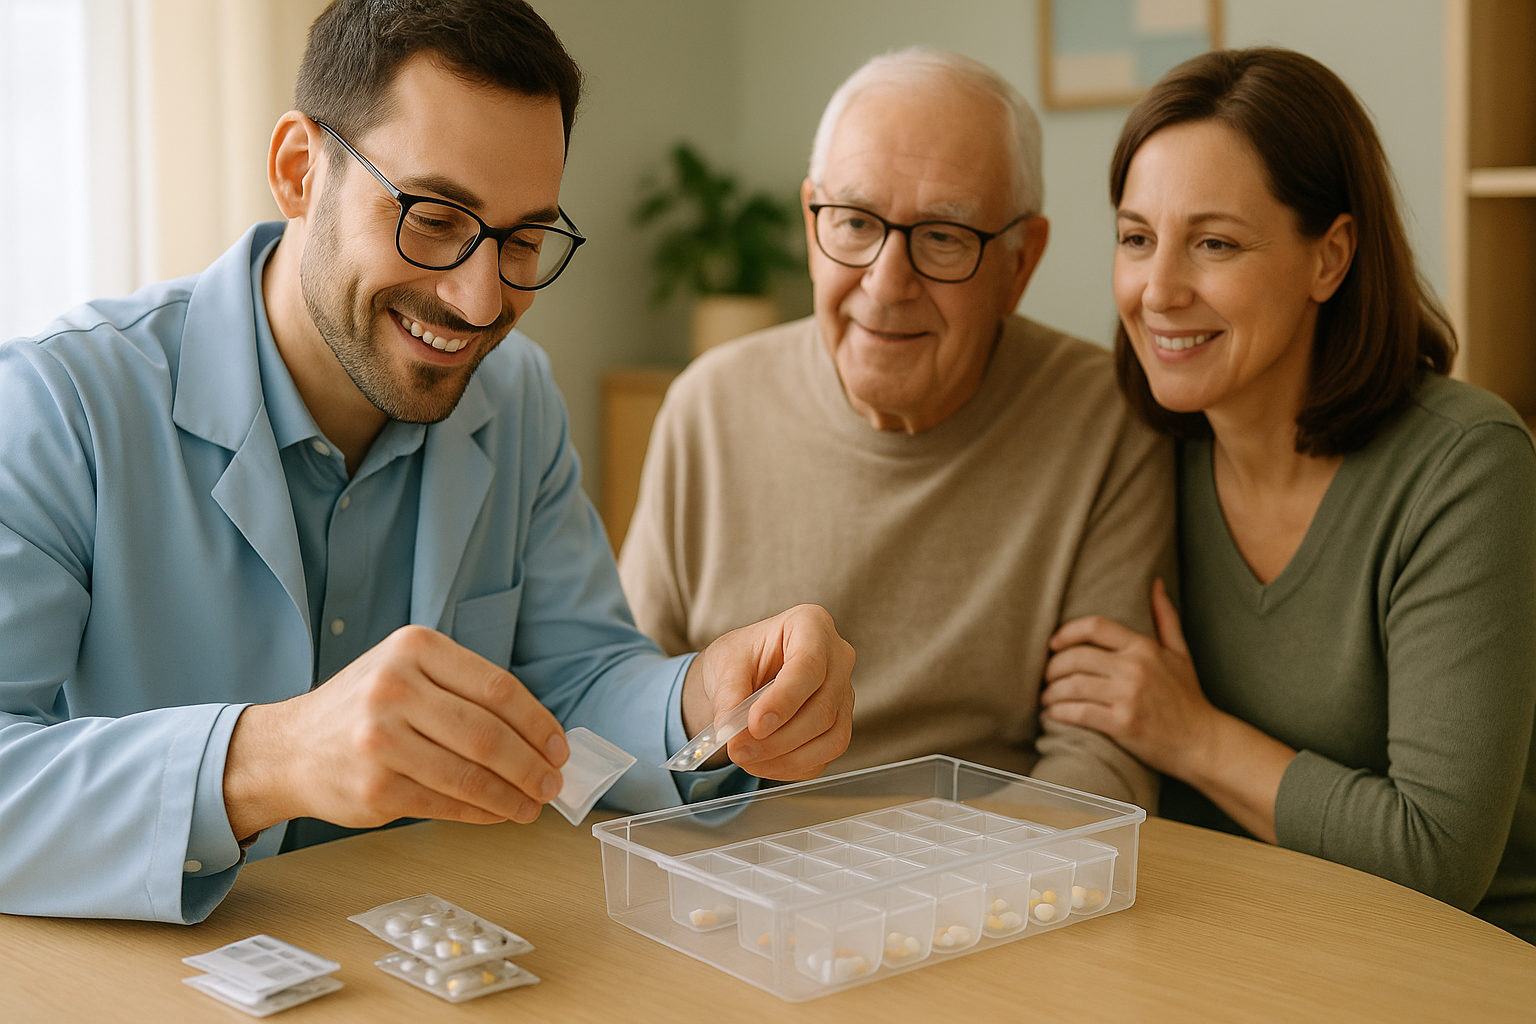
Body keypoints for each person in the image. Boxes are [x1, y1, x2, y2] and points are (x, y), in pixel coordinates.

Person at [0, 0, 855, 925]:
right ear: (298, 170)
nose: (479, 299)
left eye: (523, 238)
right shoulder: (61, 405)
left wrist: (702, 704)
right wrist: (267, 760)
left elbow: (570, 685)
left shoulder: (516, 394)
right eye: (435, 216)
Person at [1040, 47, 1536, 943]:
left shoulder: (1466, 465)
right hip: (1229, 938)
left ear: (1330, 258)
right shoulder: (1139, 451)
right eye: (1136, 237)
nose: (1158, 292)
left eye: (1215, 243)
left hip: (1457, 965)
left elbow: (1437, 857)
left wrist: (1191, 735)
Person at [619, 48, 1173, 807]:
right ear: (813, 222)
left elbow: (1100, 758)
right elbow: (627, 712)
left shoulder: (1108, 418)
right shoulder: (705, 405)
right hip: (735, 871)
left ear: (1022, 261)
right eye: (853, 223)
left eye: (943, 237)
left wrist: (935, 893)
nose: (885, 284)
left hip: (986, 883)